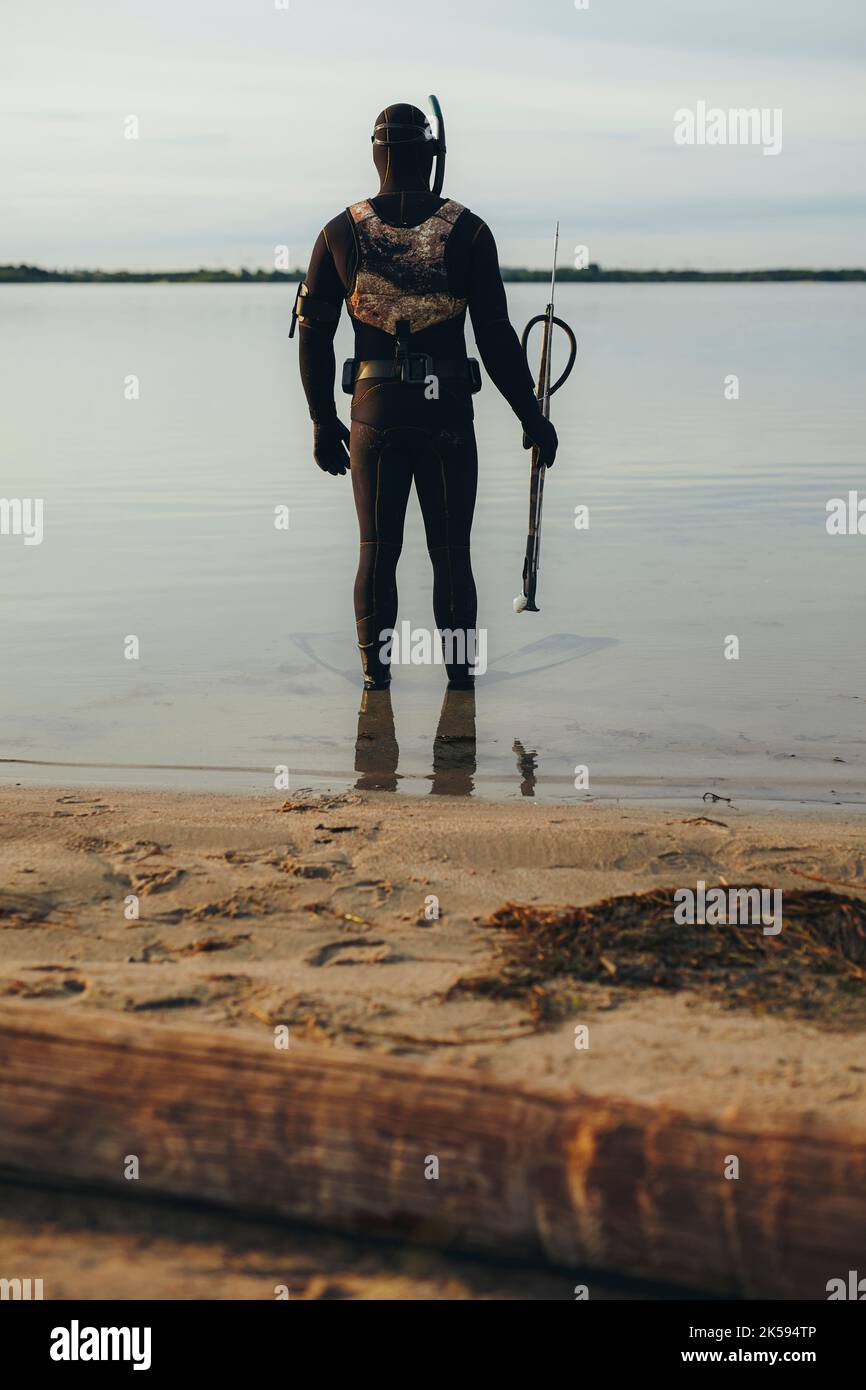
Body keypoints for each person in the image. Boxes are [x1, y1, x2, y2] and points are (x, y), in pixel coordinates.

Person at [294, 100, 557, 690]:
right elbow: (494, 338)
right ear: (432, 155)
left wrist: (321, 420)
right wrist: (531, 417)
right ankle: (461, 687)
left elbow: (313, 335)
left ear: (375, 155)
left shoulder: (340, 231)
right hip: (446, 414)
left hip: (373, 412)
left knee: (376, 550)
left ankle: (374, 683)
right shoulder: (468, 230)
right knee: (451, 553)